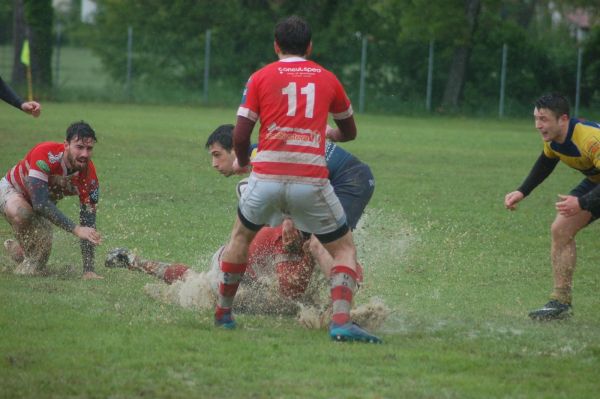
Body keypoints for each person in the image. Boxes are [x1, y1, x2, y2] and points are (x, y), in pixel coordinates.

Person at [214, 16, 380, 343]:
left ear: (276, 46)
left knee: (239, 240)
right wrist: (330, 132)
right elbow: (350, 131)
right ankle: (341, 322)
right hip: (311, 180)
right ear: (310, 47)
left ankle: (223, 313)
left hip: (267, 178)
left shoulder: (260, 77)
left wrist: (243, 162)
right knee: (344, 248)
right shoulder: (327, 78)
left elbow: (243, 132)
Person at [205, 123, 375, 277]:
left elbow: (288, 181)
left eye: (217, 154)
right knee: (311, 243)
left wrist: (287, 218)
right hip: (339, 180)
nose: (214, 163)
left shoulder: (259, 154)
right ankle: (347, 281)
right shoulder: (266, 150)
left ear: (235, 149)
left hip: (350, 180)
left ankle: (346, 303)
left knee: (319, 245)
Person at [504, 93, 600, 320]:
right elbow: (547, 160)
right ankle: (560, 302)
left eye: (544, 119)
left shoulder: (590, 140)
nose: (538, 125)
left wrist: (582, 202)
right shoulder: (554, 139)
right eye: (536, 118)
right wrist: (522, 191)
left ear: (563, 119)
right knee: (561, 229)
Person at [1, 121, 103, 279]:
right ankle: (23, 260)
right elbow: (40, 203)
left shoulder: (89, 177)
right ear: (66, 144)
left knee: (38, 262)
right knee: (21, 212)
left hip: (41, 208)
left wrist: (88, 270)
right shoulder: (46, 153)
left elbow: (88, 222)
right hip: (12, 191)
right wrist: (76, 229)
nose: (84, 154)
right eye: (79, 147)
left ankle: (19, 252)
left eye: (89, 148)